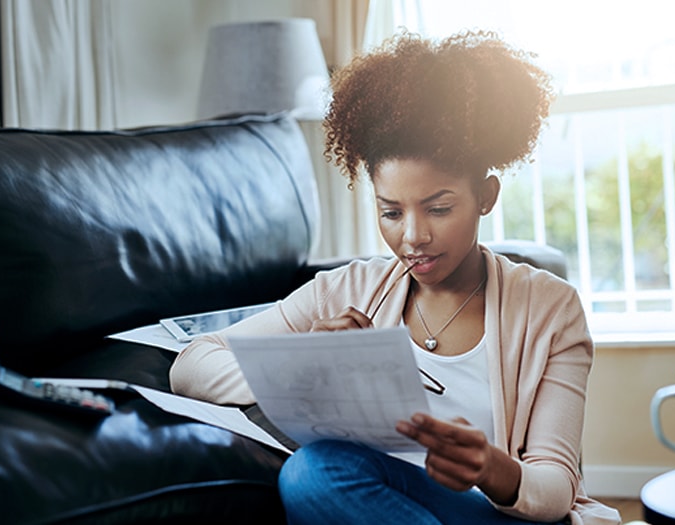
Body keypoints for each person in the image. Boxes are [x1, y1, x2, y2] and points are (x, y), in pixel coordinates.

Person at [169, 30, 620, 525]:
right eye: (391, 212)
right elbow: (191, 364)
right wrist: (303, 370)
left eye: (439, 208)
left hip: (497, 515)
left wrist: (491, 468)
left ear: (486, 196)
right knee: (316, 473)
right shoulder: (343, 291)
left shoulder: (550, 309)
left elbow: (555, 489)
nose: (414, 236)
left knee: (314, 476)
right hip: (380, 504)